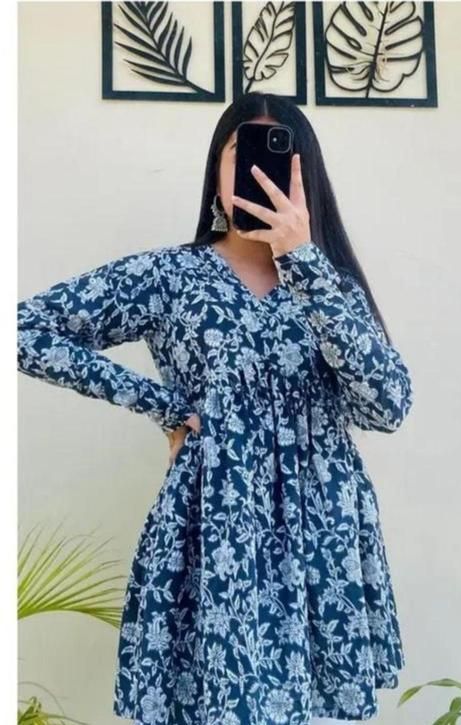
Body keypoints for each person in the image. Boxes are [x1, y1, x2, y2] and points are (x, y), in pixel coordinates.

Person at [17, 91, 413, 725]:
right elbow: (26, 330)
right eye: (240, 153)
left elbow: (388, 405)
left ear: (305, 175)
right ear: (216, 171)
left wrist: (303, 261)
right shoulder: (170, 277)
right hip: (217, 528)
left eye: (278, 155)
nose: (258, 169)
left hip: (322, 533)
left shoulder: (330, 285)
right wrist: (161, 403)